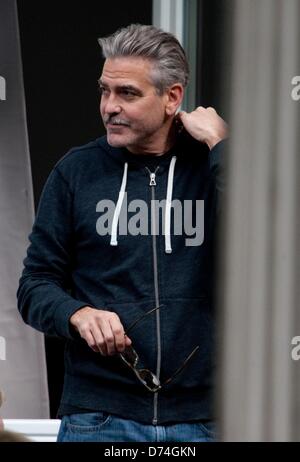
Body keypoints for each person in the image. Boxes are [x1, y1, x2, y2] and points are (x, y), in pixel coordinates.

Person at [17, 24, 228, 442]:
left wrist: (224, 149)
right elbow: (34, 286)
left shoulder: (209, 169)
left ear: (172, 97)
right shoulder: (76, 173)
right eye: (104, 91)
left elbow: (277, 245)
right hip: (99, 418)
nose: (109, 106)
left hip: (205, 418)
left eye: (127, 93)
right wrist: (77, 313)